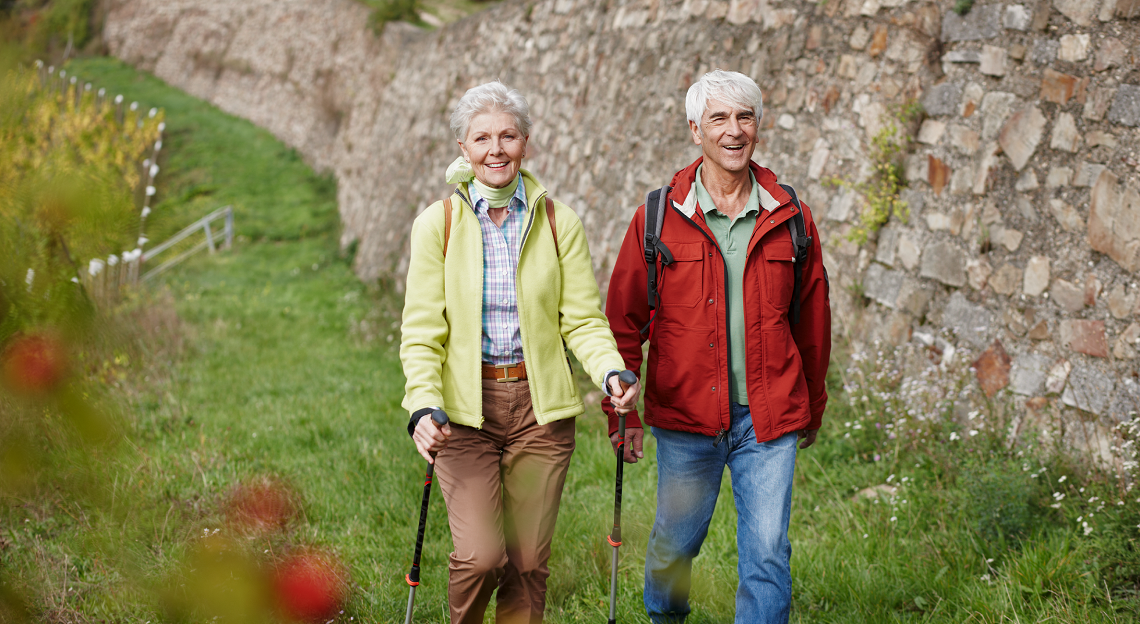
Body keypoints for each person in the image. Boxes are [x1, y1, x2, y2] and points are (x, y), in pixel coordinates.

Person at [400, 81, 640, 624]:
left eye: (507, 136)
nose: (495, 149)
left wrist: (609, 372)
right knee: (482, 556)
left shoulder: (559, 222)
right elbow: (421, 332)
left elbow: (581, 320)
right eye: (481, 138)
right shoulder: (437, 226)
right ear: (463, 149)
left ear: (525, 144)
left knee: (528, 561)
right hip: (463, 411)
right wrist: (421, 404)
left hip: (539, 411)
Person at [602, 70, 831, 623]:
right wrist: (622, 417)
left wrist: (812, 408)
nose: (734, 131)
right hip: (685, 418)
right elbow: (623, 320)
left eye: (745, 117)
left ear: (759, 126)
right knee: (673, 548)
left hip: (768, 418)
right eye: (719, 119)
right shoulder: (657, 217)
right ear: (695, 129)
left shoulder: (791, 217)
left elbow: (813, 325)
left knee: (768, 553)